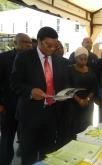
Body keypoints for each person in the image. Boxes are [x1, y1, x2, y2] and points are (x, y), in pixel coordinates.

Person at [11, 27, 69, 165]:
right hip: (30, 115)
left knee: (48, 154)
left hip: (51, 115)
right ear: (39, 41)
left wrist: (64, 94)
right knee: (28, 154)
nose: (52, 49)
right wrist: (30, 91)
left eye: (55, 46)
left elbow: (63, 84)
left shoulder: (59, 61)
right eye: (49, 45)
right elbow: (14, 83)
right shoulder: (24, 57)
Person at [0, 33, 32, 165]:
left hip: (27, 108)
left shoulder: (33, 60)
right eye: (24, 42)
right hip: (8, 107)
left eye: (30, 42)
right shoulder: (3, 58)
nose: (28, 45)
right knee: (7, 140)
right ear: (15, 43)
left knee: (26, 140)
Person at [63, 47, 98, 143]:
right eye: (80, 59)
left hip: (88, 105)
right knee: (73, 129)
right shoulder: (69, 70)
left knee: (86, 127)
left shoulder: (90, 70)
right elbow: (67, 87)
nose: (83, 61)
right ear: (75, 58)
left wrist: (87, 99)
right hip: (73, 104)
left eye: (85, 59)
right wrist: (79, 100)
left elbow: (94, 87)